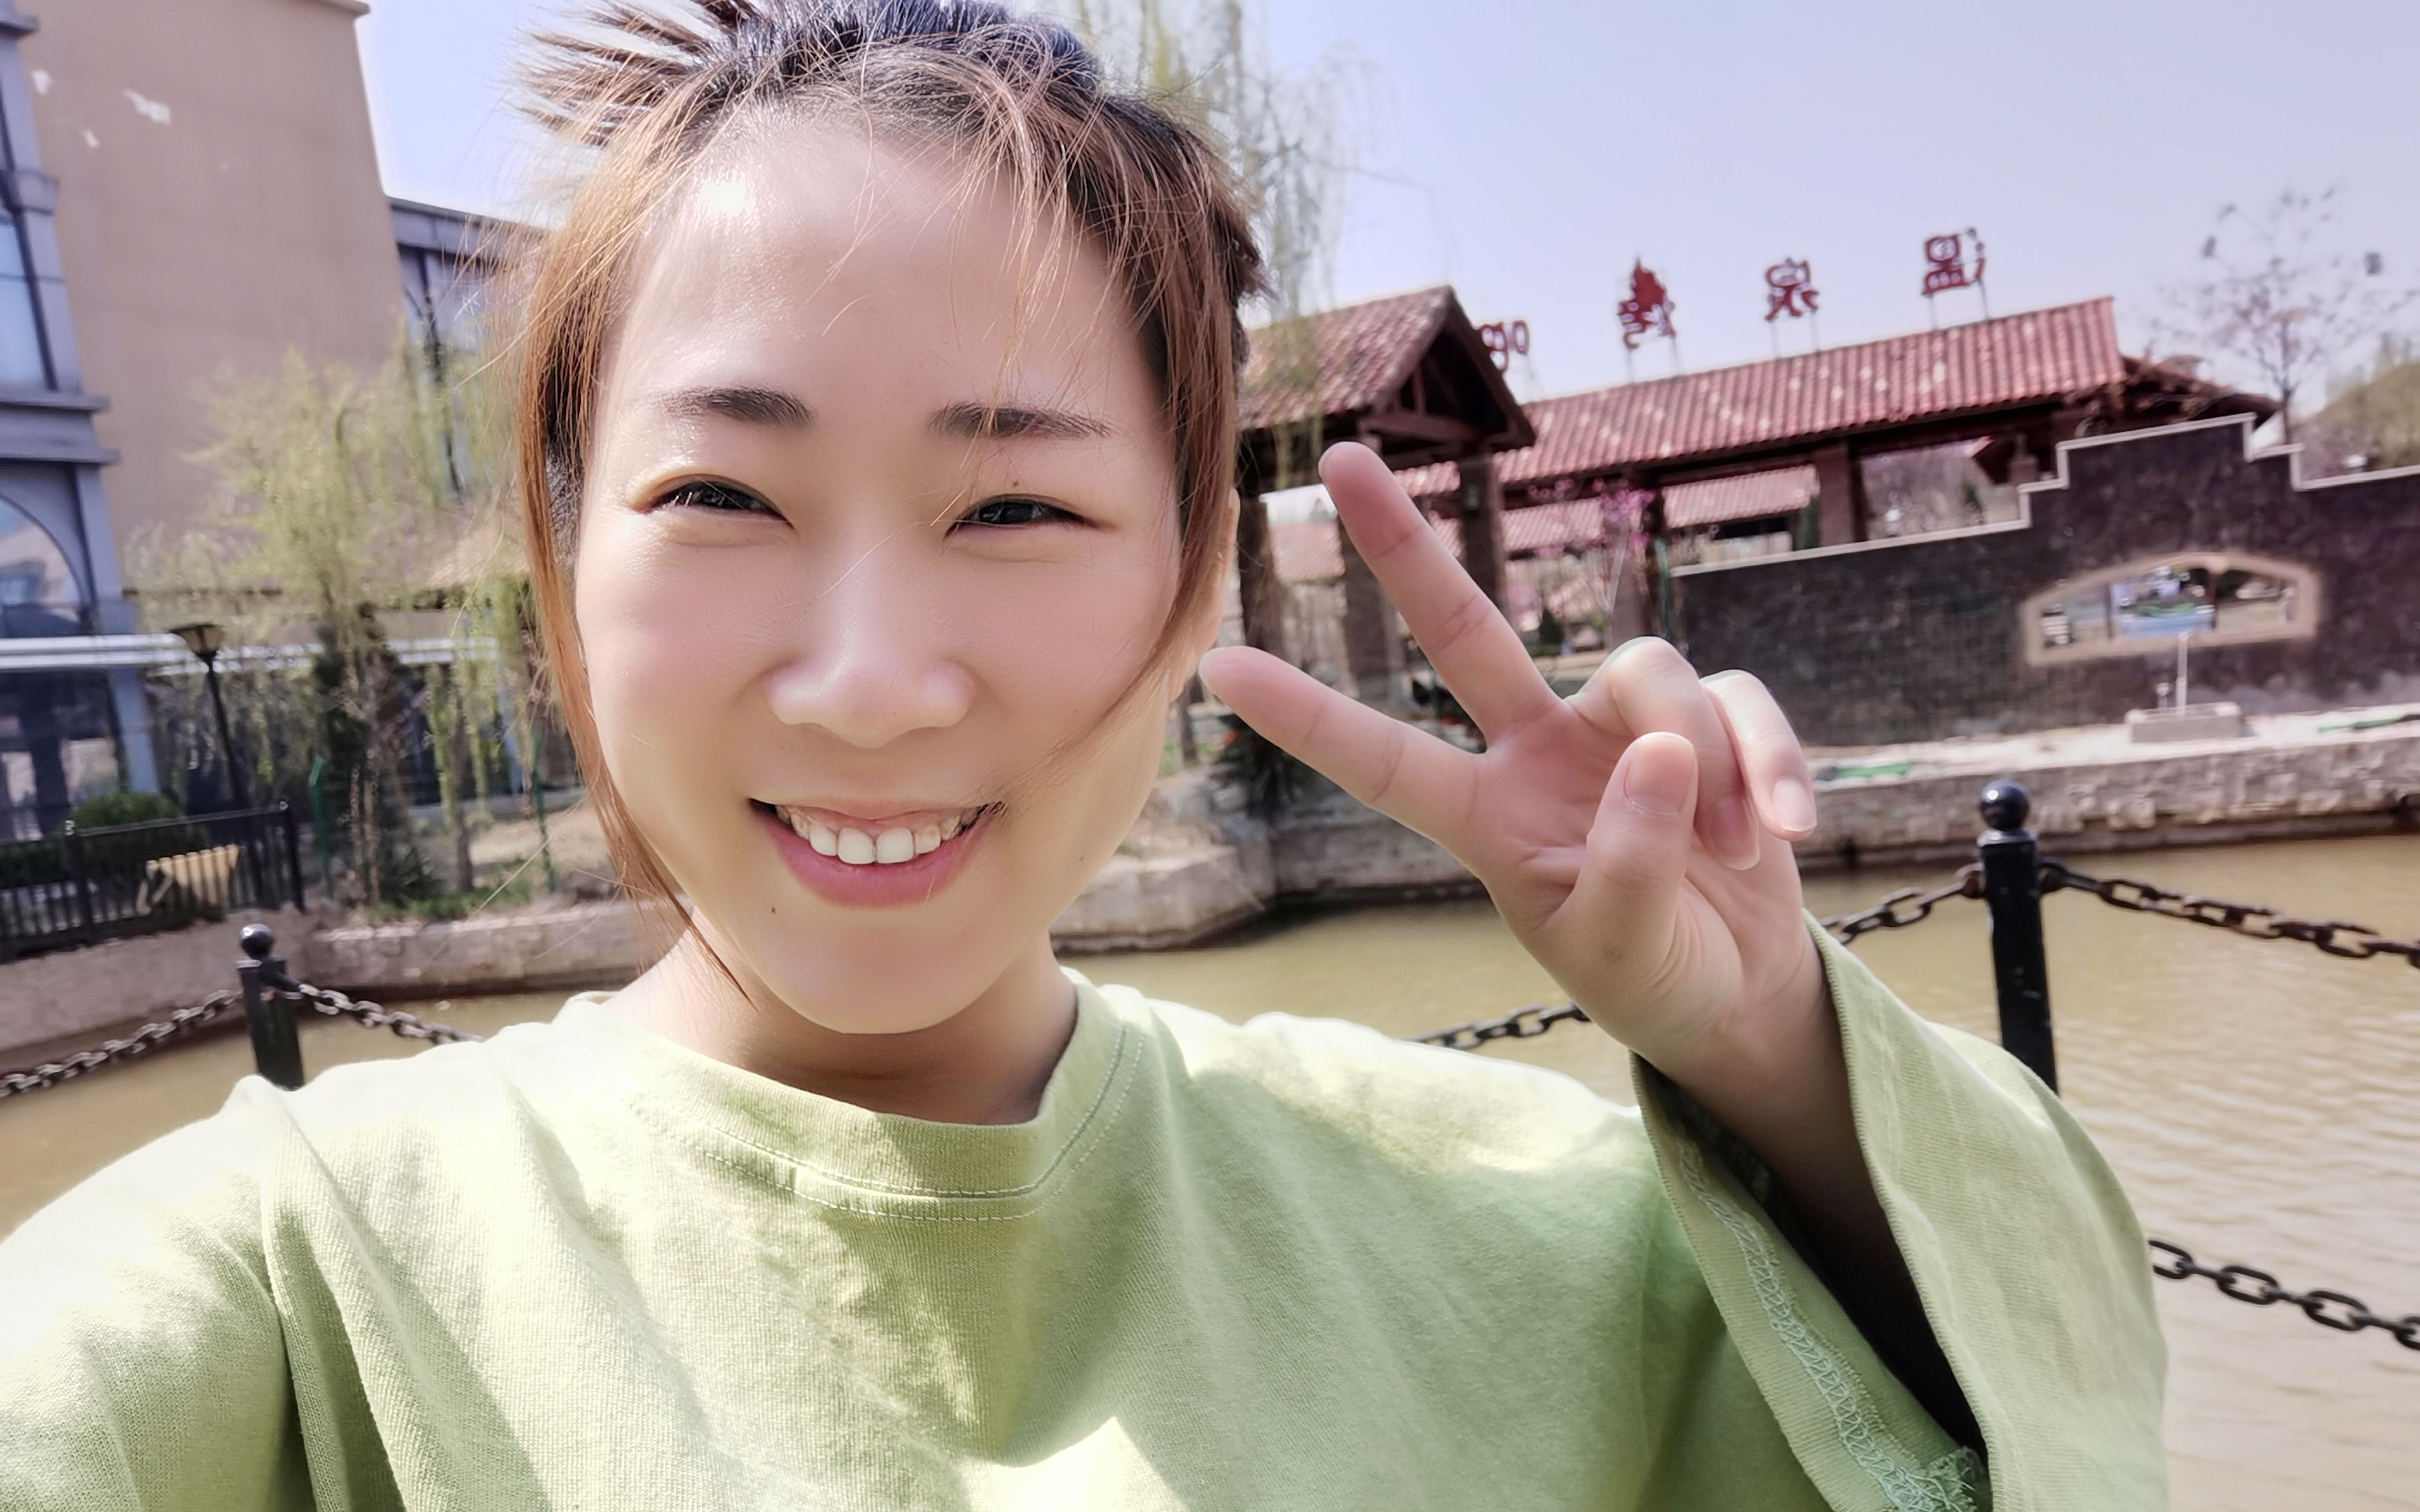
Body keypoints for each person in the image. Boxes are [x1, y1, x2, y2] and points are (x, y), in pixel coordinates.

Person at [0, 3, 2165, 1506]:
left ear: (1194, 570)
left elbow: (2048, 1434)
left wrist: (1769, 1043)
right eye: (721, 495)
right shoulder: (300, 1269)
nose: (868, 685)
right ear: (561, 566)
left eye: (1015, 507)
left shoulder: (1515, 1212)